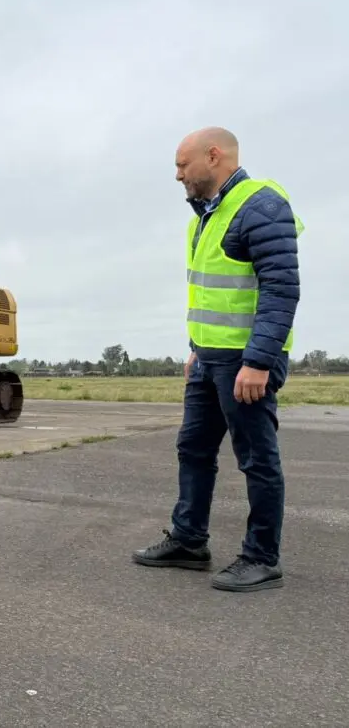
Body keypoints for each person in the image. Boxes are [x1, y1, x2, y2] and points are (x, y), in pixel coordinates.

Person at [132, 127, 303, 592]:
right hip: (209, 359)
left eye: (182, 164)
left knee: (256, 459)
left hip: (246, 361)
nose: (177, 175)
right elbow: (213, 292)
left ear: (214, 156)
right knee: (193, 449)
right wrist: (195, 350)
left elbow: (281, 289)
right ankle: (189, 541)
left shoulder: (260, 205)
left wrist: (260, 360)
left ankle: (262, 558)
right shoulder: (205, 216)